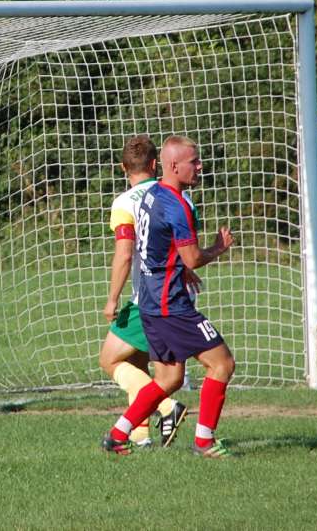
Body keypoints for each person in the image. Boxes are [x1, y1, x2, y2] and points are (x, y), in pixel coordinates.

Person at [101, 135, 235, 458]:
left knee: (170, 377)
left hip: (148, 303)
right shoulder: (178, 205)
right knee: (222, 364)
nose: (200, 167)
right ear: (173, 165)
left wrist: (175, 265)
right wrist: (218, 248)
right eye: (195, 162)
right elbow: (191, 258)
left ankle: (118, 434)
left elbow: (150, 247)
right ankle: (204, 440)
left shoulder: (150, 198)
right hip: (172, 306)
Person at [100, 135, 188, 447]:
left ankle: (168, 407)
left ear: (124, 167)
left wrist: (112, 298)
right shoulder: (176, 196)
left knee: (110, 359)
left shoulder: (125, 203)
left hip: (149, 298)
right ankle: (140, 437)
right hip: (179, 295)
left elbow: (124, 254)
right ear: (154, 164)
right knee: (137, 362)